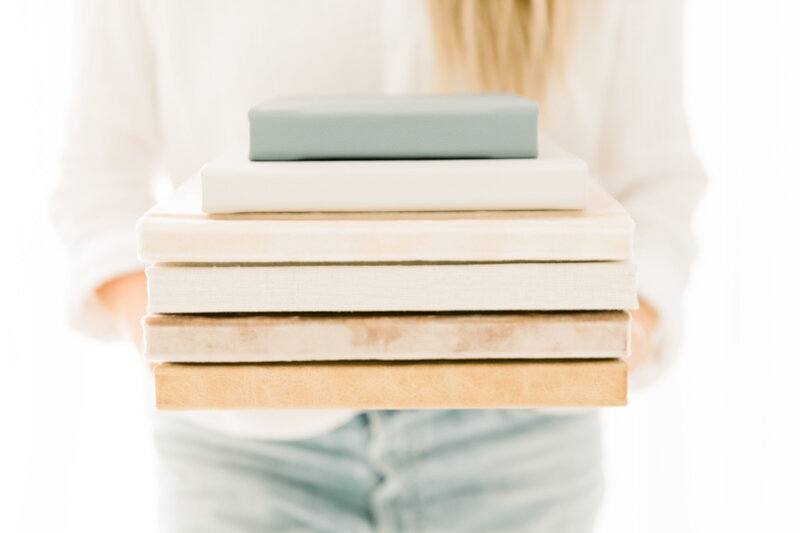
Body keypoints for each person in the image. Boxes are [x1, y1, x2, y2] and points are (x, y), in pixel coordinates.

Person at [50, 1, 705, 531]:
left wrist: (627, 324)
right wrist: (187, 344)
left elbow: (657, 178)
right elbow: (98, 185)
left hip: (519, 444)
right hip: (244, 453)